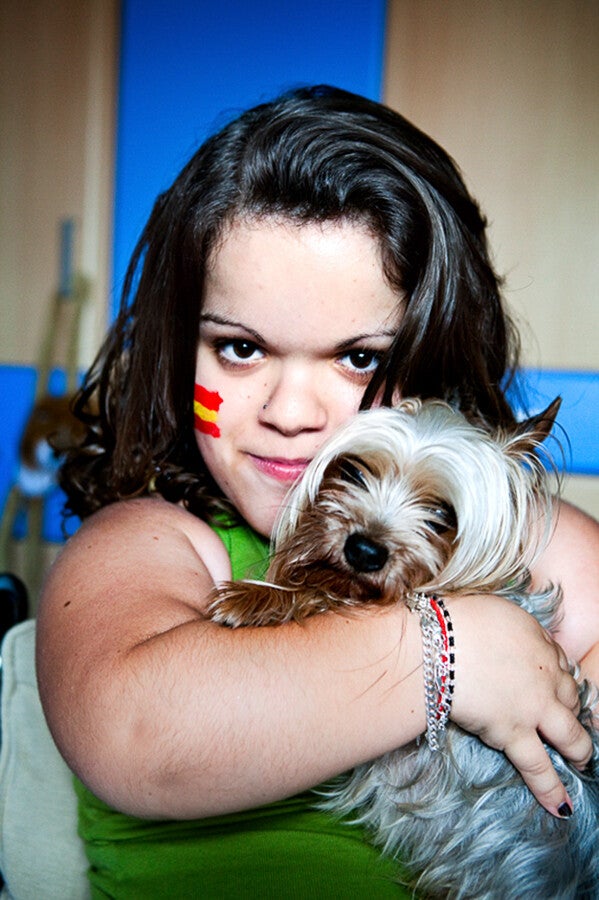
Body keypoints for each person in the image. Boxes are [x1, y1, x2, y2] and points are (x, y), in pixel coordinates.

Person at [36, 85, 599, 898]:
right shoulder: (153, 541)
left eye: (359, 358)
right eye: (239, 348)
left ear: (432, 358)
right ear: (178, 351)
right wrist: (446, 652)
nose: (291, 413)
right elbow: (137, 734)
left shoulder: (528, 538)